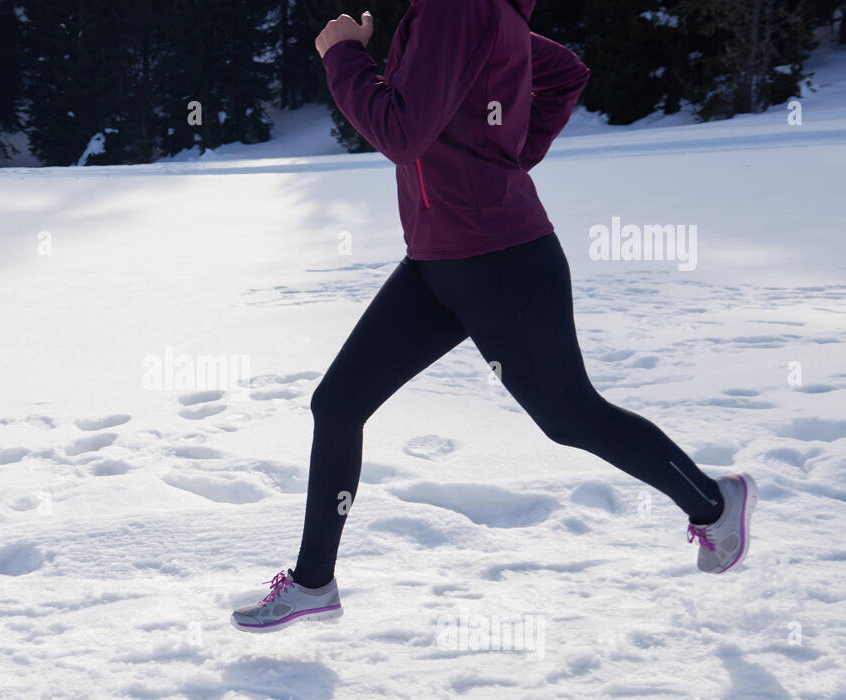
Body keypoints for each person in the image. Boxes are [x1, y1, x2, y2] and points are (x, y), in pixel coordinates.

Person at [232, 0, 756, 634]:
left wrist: (343, 55)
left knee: (571, 417)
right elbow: (561, 73)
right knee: (338, 402)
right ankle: (314, 581)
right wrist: (501, 157)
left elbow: (401, 133)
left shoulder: (456, 9)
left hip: (500, 259)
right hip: (438, 258)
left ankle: (713, 502)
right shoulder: (464, 14)